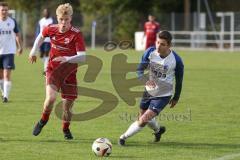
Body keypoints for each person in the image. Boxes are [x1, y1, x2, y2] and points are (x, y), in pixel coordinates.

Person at [29, 3, 86, 140]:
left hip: (70, 73)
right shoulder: (51, 29)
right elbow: (40, 37)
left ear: (70, 18)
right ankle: (43, 120)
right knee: (51, 99)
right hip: (53, 70)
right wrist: (33, 51)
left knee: (67, 107)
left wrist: (66, 58)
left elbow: (83, 57)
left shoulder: (76, 34)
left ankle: (65, 128)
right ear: (57, 18)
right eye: (61, 19)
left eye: (66, 20)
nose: (63, 23)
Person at [119, 30, 184, 146]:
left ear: (169, 45)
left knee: (143, 119)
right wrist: (146, 81)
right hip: (148, 91)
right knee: (143, 117)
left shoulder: (177, 61)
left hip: (163, 95)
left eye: (163, 44)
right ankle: (158, 130)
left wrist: (176, 97)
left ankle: (123, 138)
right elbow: (140, 70)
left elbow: (179, 81)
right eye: (157, 42)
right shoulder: (150, 52)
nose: (159, 46)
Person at [0, 2, 23, 103]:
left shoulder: (12, 21)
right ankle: (3, 92)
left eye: (6, 10)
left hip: (9, 52)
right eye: (2, 10)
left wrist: (20, 46)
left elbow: (17, 34)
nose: (4, 11)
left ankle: (6, 96)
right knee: (0, 77)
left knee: (6, 75)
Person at [35, 8, 55, 75]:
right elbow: (38, 30)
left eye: (47, 12)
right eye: (44, 12)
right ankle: (47, 64)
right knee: (41, 55)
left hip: (48, 40)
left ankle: (45, 69)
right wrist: (37, 39)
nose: (45, 13)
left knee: (46, 54)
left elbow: (54, 30)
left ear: (49, 13)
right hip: (41, 40)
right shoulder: (41, 21)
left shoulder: (51, 21)